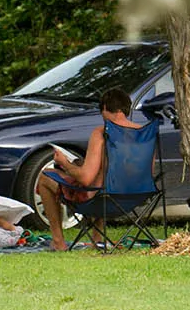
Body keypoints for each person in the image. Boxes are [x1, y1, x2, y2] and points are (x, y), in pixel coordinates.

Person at [35, 87, 137, 252]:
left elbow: (85, 179)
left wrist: (65, 163)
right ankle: (98, 239)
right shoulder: (144, 133)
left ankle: (58, 242)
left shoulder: (102, 133)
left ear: (105, 108)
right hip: (134, 198)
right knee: (103, 179)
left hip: (100, 201)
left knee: (46, 177)